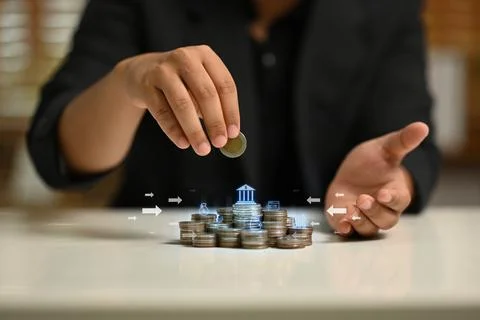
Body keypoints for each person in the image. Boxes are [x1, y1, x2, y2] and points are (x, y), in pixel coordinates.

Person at [27, 0, 441, 237]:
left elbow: (410, 141)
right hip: (156, 266)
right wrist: (124, 85)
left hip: (330, 268)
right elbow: (58, 152)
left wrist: (389, 183)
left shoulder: (389, 8)